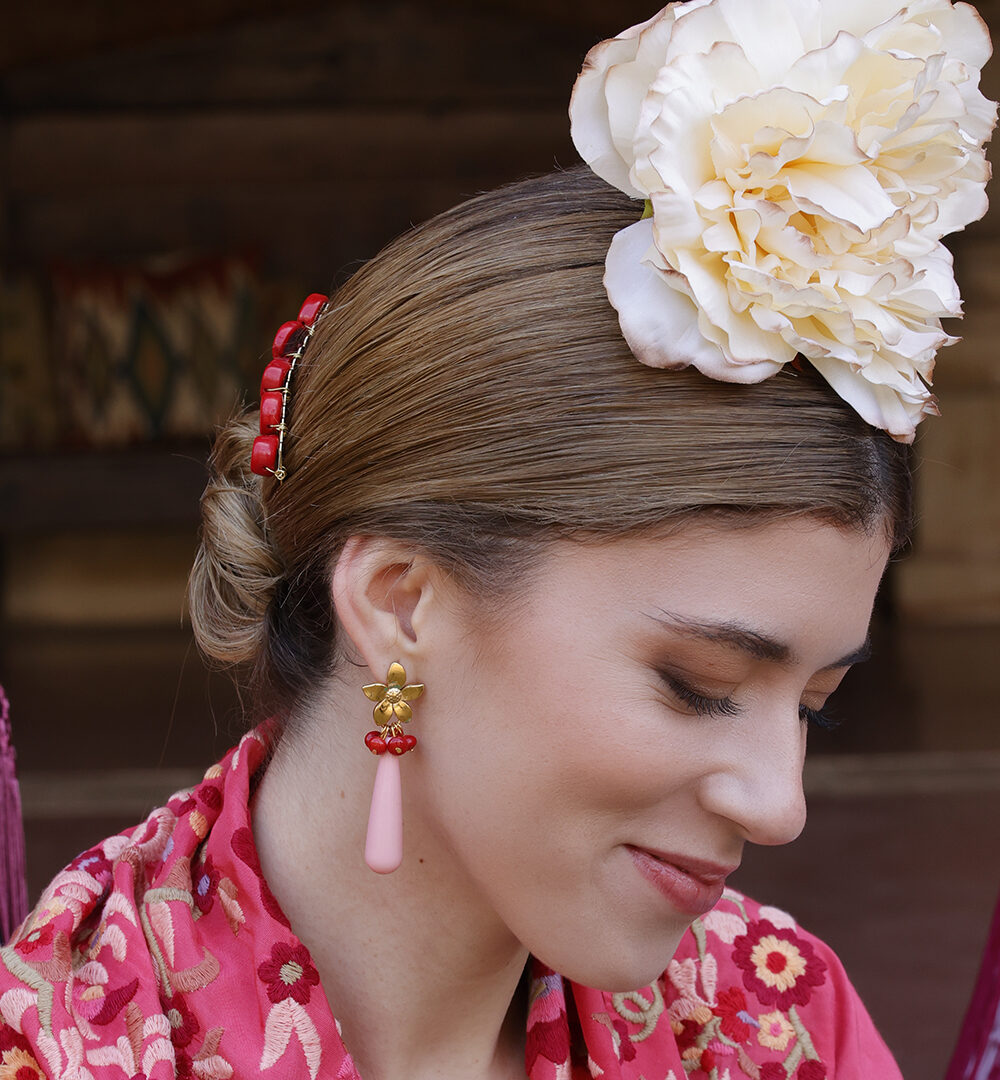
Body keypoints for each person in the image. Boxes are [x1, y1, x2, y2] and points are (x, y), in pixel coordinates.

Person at [0, 1, 994, 1077]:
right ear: (398, 602)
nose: (778, 804)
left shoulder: (776, 1023)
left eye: (812, 709)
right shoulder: (61, 1048)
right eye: (696, 682)